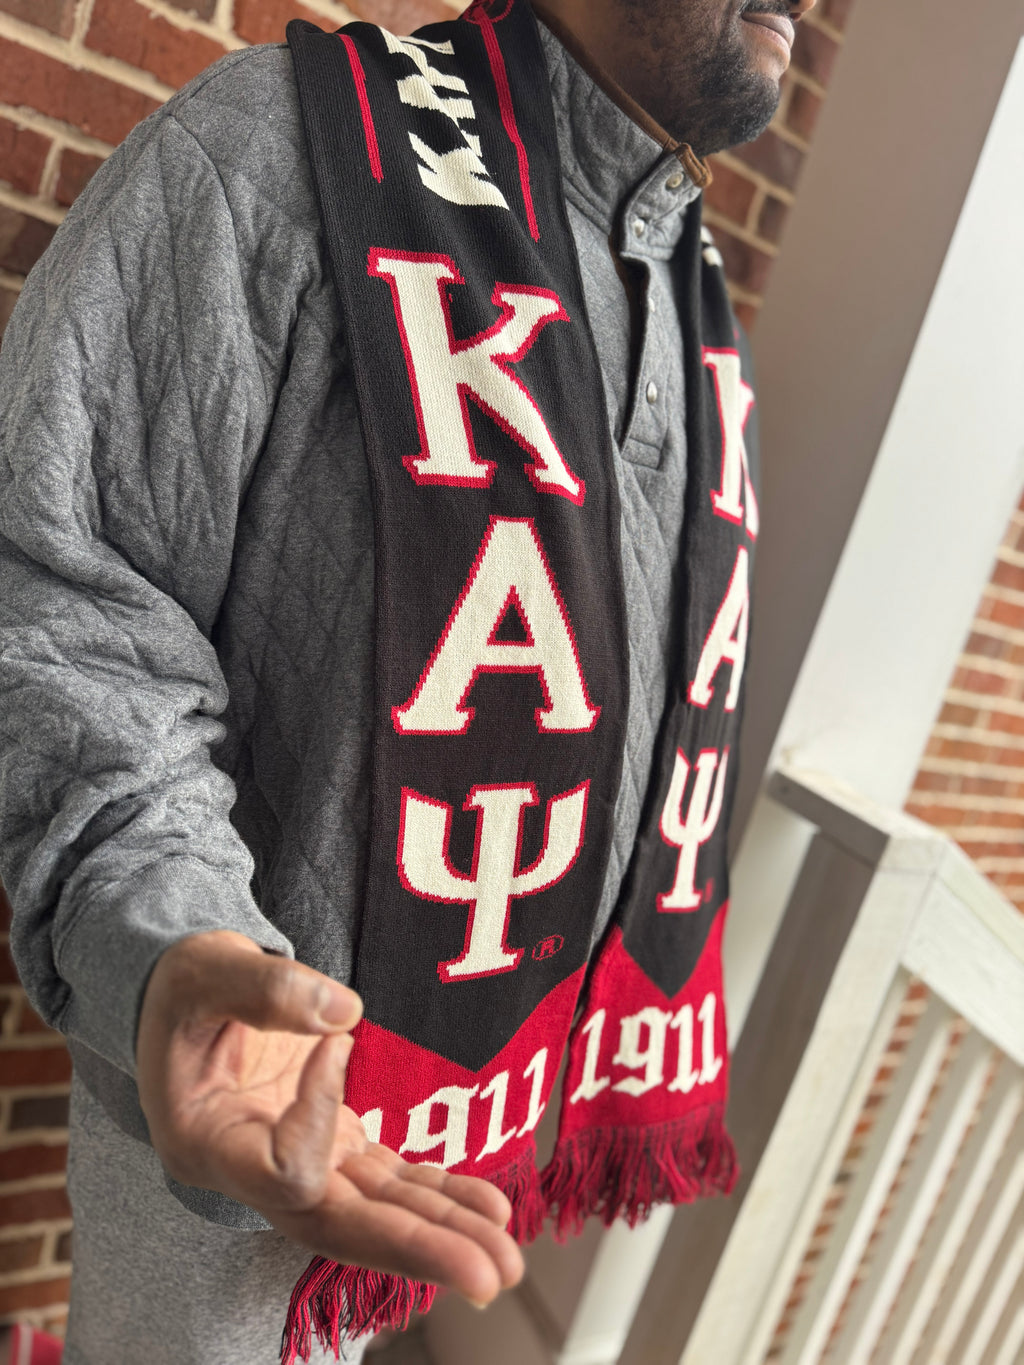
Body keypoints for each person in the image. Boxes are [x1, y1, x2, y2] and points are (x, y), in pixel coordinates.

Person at [0, 0, 815, 1360]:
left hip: (460, 1101)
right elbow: (65, 602)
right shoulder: (273, 153)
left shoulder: (686, 280)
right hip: (235, 1092)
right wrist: (173, 943)